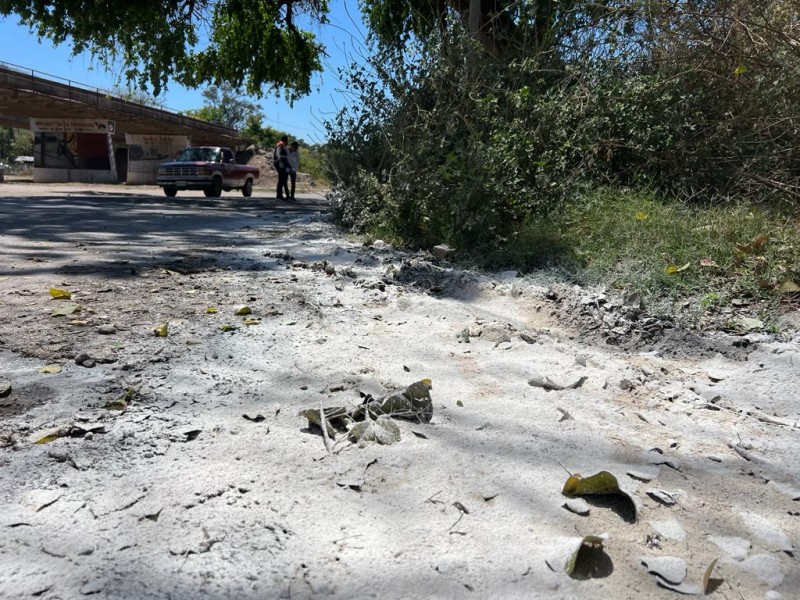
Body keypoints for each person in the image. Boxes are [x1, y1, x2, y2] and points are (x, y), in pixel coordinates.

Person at [273, 135, 290, 200]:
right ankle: (278, 195)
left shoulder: (282, 145)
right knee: (281, 179)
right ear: (285, 140)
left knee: (282, 179)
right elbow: (278, 154)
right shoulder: (280, 144)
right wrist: (280, 163)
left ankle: (280, 195)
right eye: (287, 140)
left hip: (281, 164)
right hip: (280, 164)